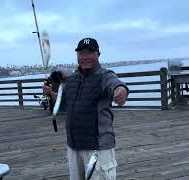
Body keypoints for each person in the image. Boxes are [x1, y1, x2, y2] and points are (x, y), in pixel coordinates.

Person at [43, 37, 129, 180]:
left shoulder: (104, 76)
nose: (85, 57)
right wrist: (51, 94)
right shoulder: (72, 79)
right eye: (81, 53)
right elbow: (65, 102)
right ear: (77, 55)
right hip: (74, 146)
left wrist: (121, 91)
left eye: (89, 53)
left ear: (98, 54)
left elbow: (115, 83)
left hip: (98, 147)